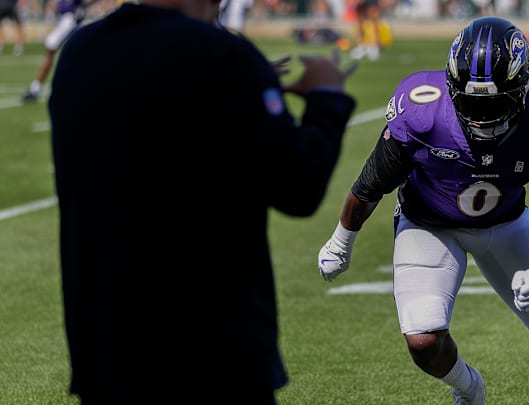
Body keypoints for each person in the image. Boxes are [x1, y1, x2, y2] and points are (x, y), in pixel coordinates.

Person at [48, 0, 357, 402]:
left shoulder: (79, 50)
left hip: (106, 343)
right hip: (213, 347)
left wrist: (249, 85)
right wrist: (327, 100)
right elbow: (298, 187)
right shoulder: (221, 53)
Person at [318, 16, 529, 405]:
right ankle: (469, 387)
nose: (482, 115)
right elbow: (373, 182)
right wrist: (341, 241)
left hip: (506, 222)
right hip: (428, 223)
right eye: (471, 101)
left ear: (522, 87)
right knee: (423, 337)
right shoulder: (422, 110)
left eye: (495, 101)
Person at [20, 0, 96, 102]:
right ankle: (36, 89)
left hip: (70, 18)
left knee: (55, 49)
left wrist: (80, 8)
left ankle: (36, 89)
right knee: (71, 54)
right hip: (67, 17)